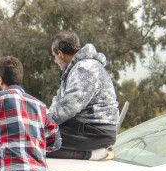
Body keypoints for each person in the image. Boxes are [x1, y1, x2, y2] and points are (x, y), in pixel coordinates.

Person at [47, 31, 119, 160]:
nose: (55, 61)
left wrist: (41, 123)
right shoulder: (74, 70)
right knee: (40, 137)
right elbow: (58, 102)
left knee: (38, 141)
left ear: (60, 54)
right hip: (87, 127)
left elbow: (68, 106)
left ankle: (94, 154)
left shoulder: (85, 68)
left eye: (54, 56)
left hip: (96, 130)